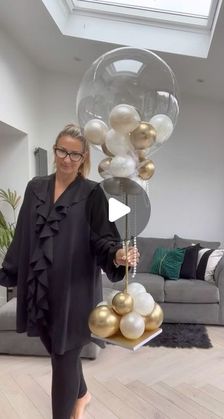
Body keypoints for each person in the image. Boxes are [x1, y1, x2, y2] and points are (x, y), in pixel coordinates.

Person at [0, 123, 139, 419]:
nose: (67, 159)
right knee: (57, 349)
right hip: (40, 287)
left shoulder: (93, 194)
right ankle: (83, 393)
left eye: (75, 154)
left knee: (63, 358)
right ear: (54, 151)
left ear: (84, 158)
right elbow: (23, 233)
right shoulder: (36, 187)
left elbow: (104, 239)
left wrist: (117, 254)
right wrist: (9, 272)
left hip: (74, 291)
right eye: (62, 151)